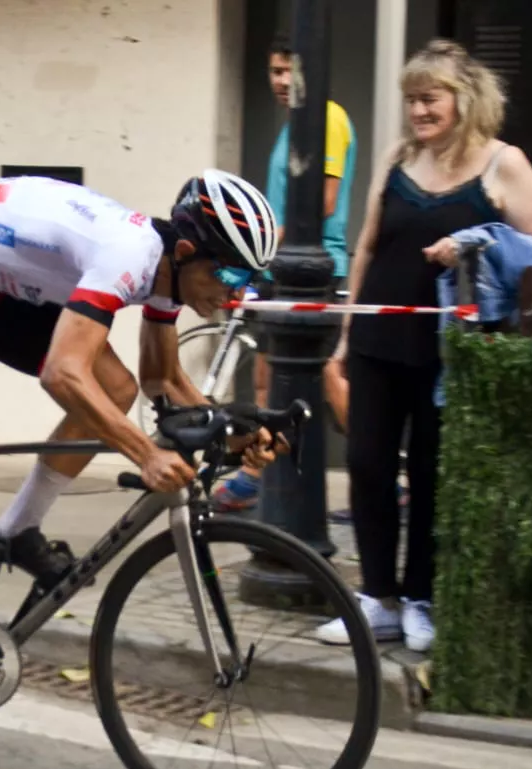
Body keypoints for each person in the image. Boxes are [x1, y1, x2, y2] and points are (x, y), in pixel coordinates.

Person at [0, 169, 285, 739]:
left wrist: (236, 428)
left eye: (250, 278)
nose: (235, 293)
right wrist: (144, 453)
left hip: (5, 285)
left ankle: (16, 531)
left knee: (112, 390)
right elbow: (62, 373)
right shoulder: (130, 255)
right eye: (232, 273)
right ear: (189, 251)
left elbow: (161, 381)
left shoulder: (169, 271)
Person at [317, 39, 532, 652]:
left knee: (430, 473)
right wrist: (347, 330)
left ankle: (422, 598)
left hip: (449, 351)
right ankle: (377, 598)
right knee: (367, 466)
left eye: (431, 99)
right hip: (377, 337)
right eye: (412, 100)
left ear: (464, 99)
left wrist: (476, 240)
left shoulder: (506, 164)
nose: (419, 112)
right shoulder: (398, 157)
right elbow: (367, 245)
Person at [210, 32, 358, 514]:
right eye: (273, 70)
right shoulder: (291, 125)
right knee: (263, 375)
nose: (278, 80)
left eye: (286, 70)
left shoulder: (327, 119)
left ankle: (378, 475)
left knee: (328, 377)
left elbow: (325, 200)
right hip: (278, 265)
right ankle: (257, 473)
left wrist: (265, 231)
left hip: (314, 268)